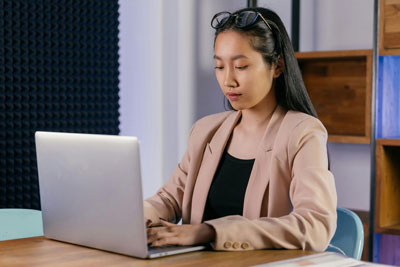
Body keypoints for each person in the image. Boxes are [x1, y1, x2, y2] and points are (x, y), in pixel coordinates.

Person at [144, 7, 337, 251]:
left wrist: (209, 231)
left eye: (241, 66)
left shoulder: (302, 133)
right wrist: (134, 218)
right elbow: (169, 199)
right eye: (220, 67)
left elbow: (315, 226)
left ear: (277, 65)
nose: (228, 80)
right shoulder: (205, 131)